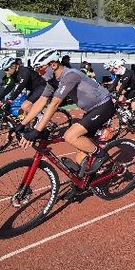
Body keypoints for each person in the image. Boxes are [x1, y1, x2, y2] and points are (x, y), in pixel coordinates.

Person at [19, 48, 115, 179]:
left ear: (53, 64)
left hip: (103, 106)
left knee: (70, 136)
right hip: (91, 110)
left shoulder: (70, 75)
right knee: (80, 154)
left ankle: (102, 155)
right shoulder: (53, 80)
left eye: (40, 68)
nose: (38, 72)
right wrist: (22, 124)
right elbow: (41, 101)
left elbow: (54, 104)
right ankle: (84, 182)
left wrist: (37, 130)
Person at [107, 59, 135, 129]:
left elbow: (123, 86)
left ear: (120, 67)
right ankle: (128, 114)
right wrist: (106, 92)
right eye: (114, 69)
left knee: (134, 105)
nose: (114, 71)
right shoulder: (119, 74)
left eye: (115, 68)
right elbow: (114, 84)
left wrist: (118, 93)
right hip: (132, 89)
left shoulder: (128, 73)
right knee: (120, 100)